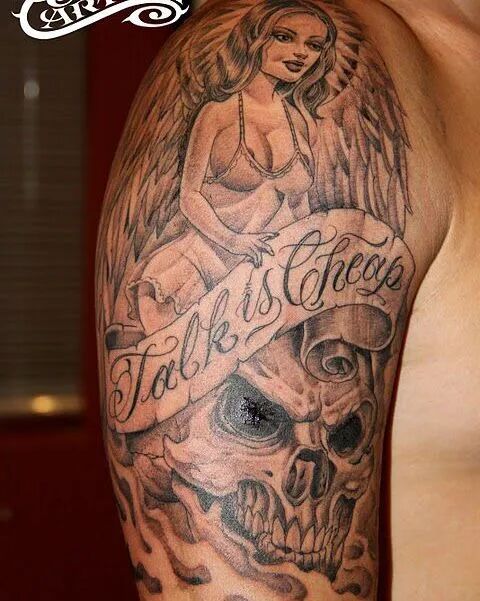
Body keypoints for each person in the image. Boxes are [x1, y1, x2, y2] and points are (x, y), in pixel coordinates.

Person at [95, 0, 480, 599]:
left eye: (314, 47)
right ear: (255, 41)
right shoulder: (234, 102)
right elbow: (193, 198)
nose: (300, 54)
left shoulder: (303, 121)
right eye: (286, 39)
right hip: (219, 265)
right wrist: (240, 249)